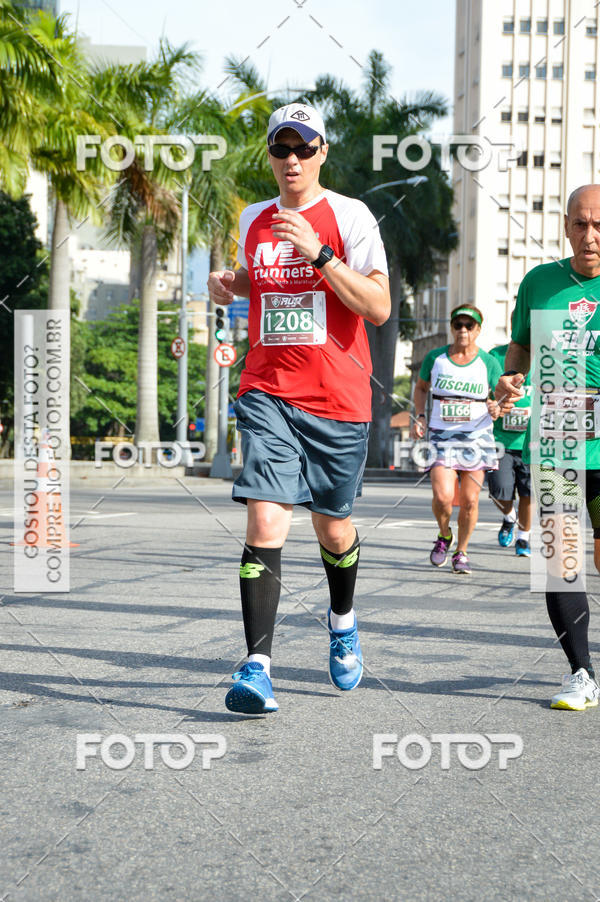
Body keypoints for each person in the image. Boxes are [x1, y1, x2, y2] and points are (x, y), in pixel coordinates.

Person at [207, 102, 390, 714]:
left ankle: (342, 619)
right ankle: (257, 666)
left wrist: (320, 252)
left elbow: (378, 308)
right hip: (268, 391)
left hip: (339, 400)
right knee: (264, 521)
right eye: (281, 148)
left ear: (322, 152)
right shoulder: (253, 217)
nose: (291, 159)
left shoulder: (350, 216)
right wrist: (230, 283)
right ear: (270, 154)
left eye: (303, 148)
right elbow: (257, 281)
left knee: (332, 527)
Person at [496, 183, 600, 711]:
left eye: (599, 225)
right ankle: (581, 672)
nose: (590, 236)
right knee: (559, 557)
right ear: (565, 226)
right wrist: (513, 377)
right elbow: (521, 342)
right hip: (558, 436)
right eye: (580, 224)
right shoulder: (539, 283)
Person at [411, 304, 502, 575]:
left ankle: (461, 552)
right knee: (443, 497)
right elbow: (421, 387)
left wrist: (498, 407)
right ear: (452, 328)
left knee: (470, 501)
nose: (463, 330)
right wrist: (419, 415)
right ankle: (444, 535)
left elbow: (500, 397)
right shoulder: (435, 358)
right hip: (441, 436)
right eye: (458, 325)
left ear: (478, 330)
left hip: (477, 438)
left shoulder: (488, 362)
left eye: (469, 325)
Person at [487, 332, 532, 556]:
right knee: (498, 491)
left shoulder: (549, 356)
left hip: (532, 442)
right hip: (500, 440)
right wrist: (491, 404)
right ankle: (509, 517)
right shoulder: (496, 355)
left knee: (529, 493)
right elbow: (485, 391)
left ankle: (524, 539)